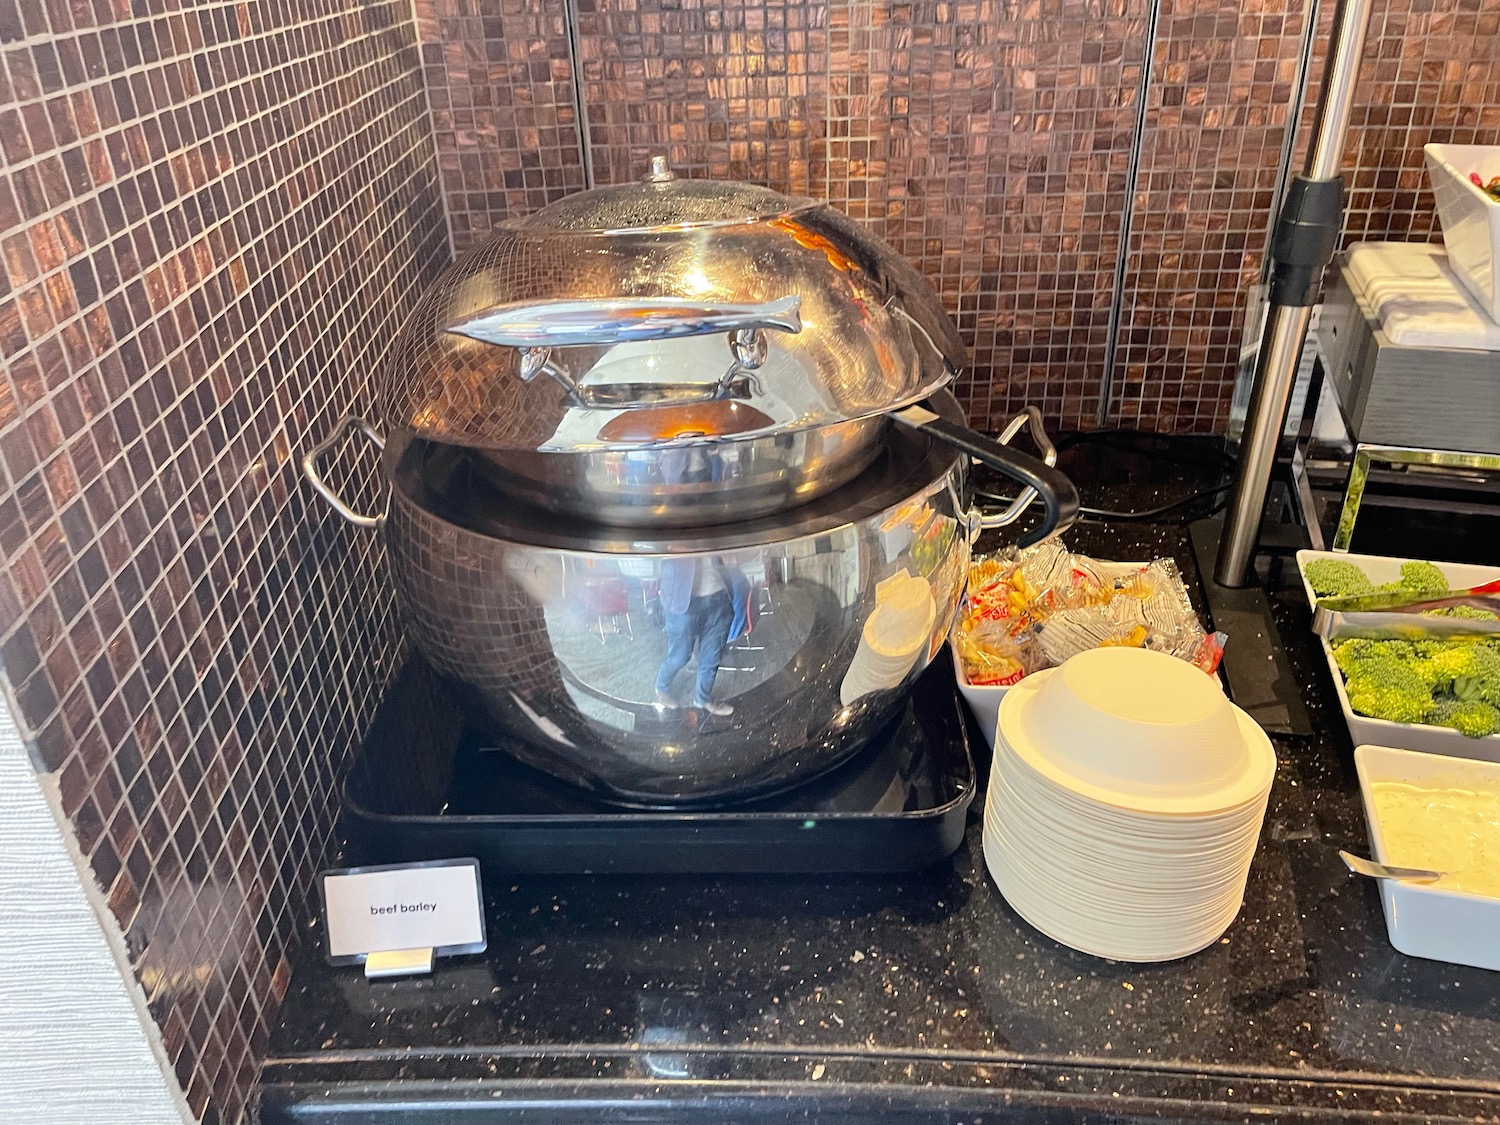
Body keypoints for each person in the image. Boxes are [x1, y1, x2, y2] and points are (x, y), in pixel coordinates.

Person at [655, 556, 737, 716]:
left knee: (711, 657)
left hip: (719, 596)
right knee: (680, 656)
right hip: (682, 600)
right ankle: (661, 687)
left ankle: (703, 700)